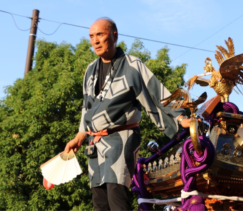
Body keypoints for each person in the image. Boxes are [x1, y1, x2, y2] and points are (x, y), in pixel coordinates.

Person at [64, 18, 192, 211]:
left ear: (114, 35)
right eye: (91, 36)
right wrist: (79, 136)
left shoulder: (132, 65)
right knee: (99, 202)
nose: (95, 41)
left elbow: (157, 92)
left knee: (116, 197)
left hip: (121, 139)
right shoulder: (90, 70)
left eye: (100, 34)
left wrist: (181, 118)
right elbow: (86, 107)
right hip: (94, 144)